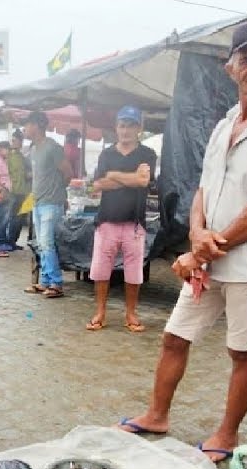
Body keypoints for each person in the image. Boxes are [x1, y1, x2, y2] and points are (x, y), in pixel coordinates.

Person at [118, 18, 247, 465]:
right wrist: (197, 235)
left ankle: (227, 433)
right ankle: (156, 415)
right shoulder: (225, 123)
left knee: (242, 351)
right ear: (232, 69)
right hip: (209, 259)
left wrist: (201, 249)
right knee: (174, 337)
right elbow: (203, 191)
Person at [86, 106, 158, 332]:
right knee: (100, 270)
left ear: (139, 128)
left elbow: (144, 181)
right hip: (107, 220)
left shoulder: (147, 154)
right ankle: (100, 312)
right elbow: (97, 185)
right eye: (122, 125)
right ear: (116, 128)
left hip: (134, 223)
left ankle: (131, 314)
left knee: (134, 271)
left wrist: (114, 175)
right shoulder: (106, 154)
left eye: (131, 125)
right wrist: (131, 177)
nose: (125, 130)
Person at [22, 111, 72, 298]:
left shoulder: (53, 147)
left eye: (26, 124)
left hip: (51, 202)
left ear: (36, 125)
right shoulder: (33, 149)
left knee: (47, 243)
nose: (24, 129)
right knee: (42, 244)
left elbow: (68, 173)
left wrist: (58, 192)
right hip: (38, 202)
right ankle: (44, 281)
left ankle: (56, 283)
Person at [3, 129, 30, 252]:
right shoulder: (8, 156)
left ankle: (13, 241)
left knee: (20, 218)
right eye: (12, 140)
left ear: (21, 142)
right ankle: (8, 241)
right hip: (13, 191)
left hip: (23, 191)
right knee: (12, 218)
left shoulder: (23, 157)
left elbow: (26, 174)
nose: (13, 143)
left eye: (15, 140)